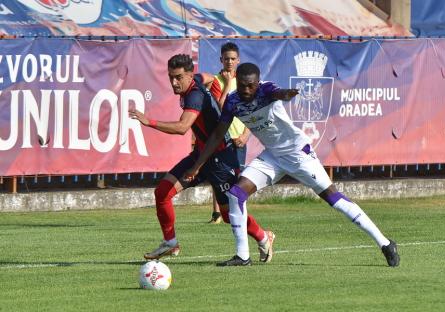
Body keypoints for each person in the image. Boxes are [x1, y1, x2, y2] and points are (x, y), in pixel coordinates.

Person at [184, 62, 400, 267]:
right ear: (237, 82)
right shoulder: (232, 102)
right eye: (242, 85)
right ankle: (242, 256)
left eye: (251, 85)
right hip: (272, 157)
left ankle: (385, 243)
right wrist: (196, 166)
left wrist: (286, 94)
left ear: (258, 83)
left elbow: (278, 93)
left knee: (333, 198)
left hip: (298, 154)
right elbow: (216, 136)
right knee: (236, 194)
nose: (247, 89)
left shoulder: (266, 90)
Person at [129, 55, 274, 264]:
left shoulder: (194, 96)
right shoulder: (196, 79)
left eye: (178, 77)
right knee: (162, 192)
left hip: (221, 159)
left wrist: (148, 121)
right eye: (170, 77)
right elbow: (209, 78)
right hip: (201, 154)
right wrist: (215, 87)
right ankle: (170, 242)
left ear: (189, 75)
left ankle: (263, 236)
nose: (174, 82)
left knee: (227, 215)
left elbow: (182, 128)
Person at [207, 42, 250, 224]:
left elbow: (251, 111)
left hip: (239, 138)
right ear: (221, 60)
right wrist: (226, 85)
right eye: (226, 59)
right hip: (223, 137)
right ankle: (218, 213)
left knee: (239, 178)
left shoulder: (245, 81)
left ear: (238, 60)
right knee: (219, 177)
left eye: (233, 59)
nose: (230, 62)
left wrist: (245, 135)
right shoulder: (216, 81)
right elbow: (220, 107)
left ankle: (240, 212)